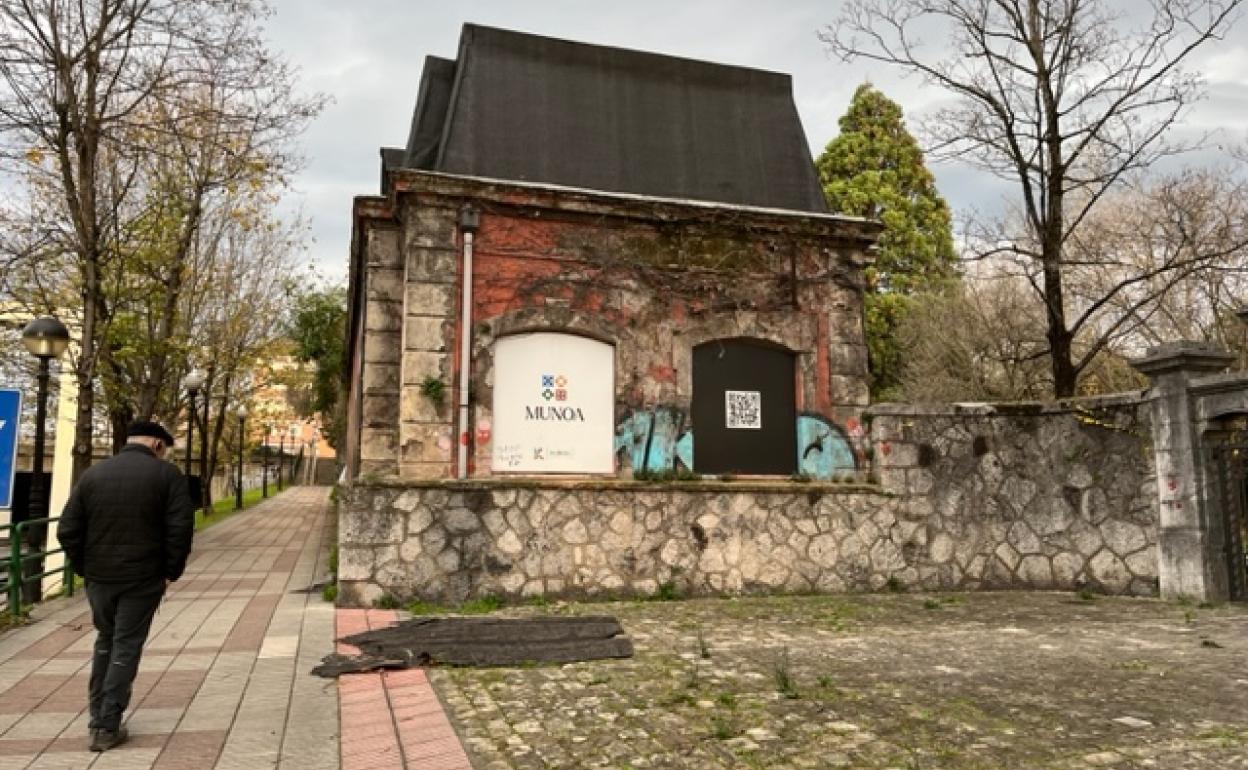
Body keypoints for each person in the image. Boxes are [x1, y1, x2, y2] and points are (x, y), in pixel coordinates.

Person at [57, 421, 194, 752]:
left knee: (106, 639)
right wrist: (169, 573)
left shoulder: (93, 475)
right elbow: (180, 529)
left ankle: (97, 715)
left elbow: (67, 529)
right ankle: (107, 724)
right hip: (143, 578)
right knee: (126, 644)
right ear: (157, 445)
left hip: (99, 579)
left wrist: (85, 568)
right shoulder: (167, 477)